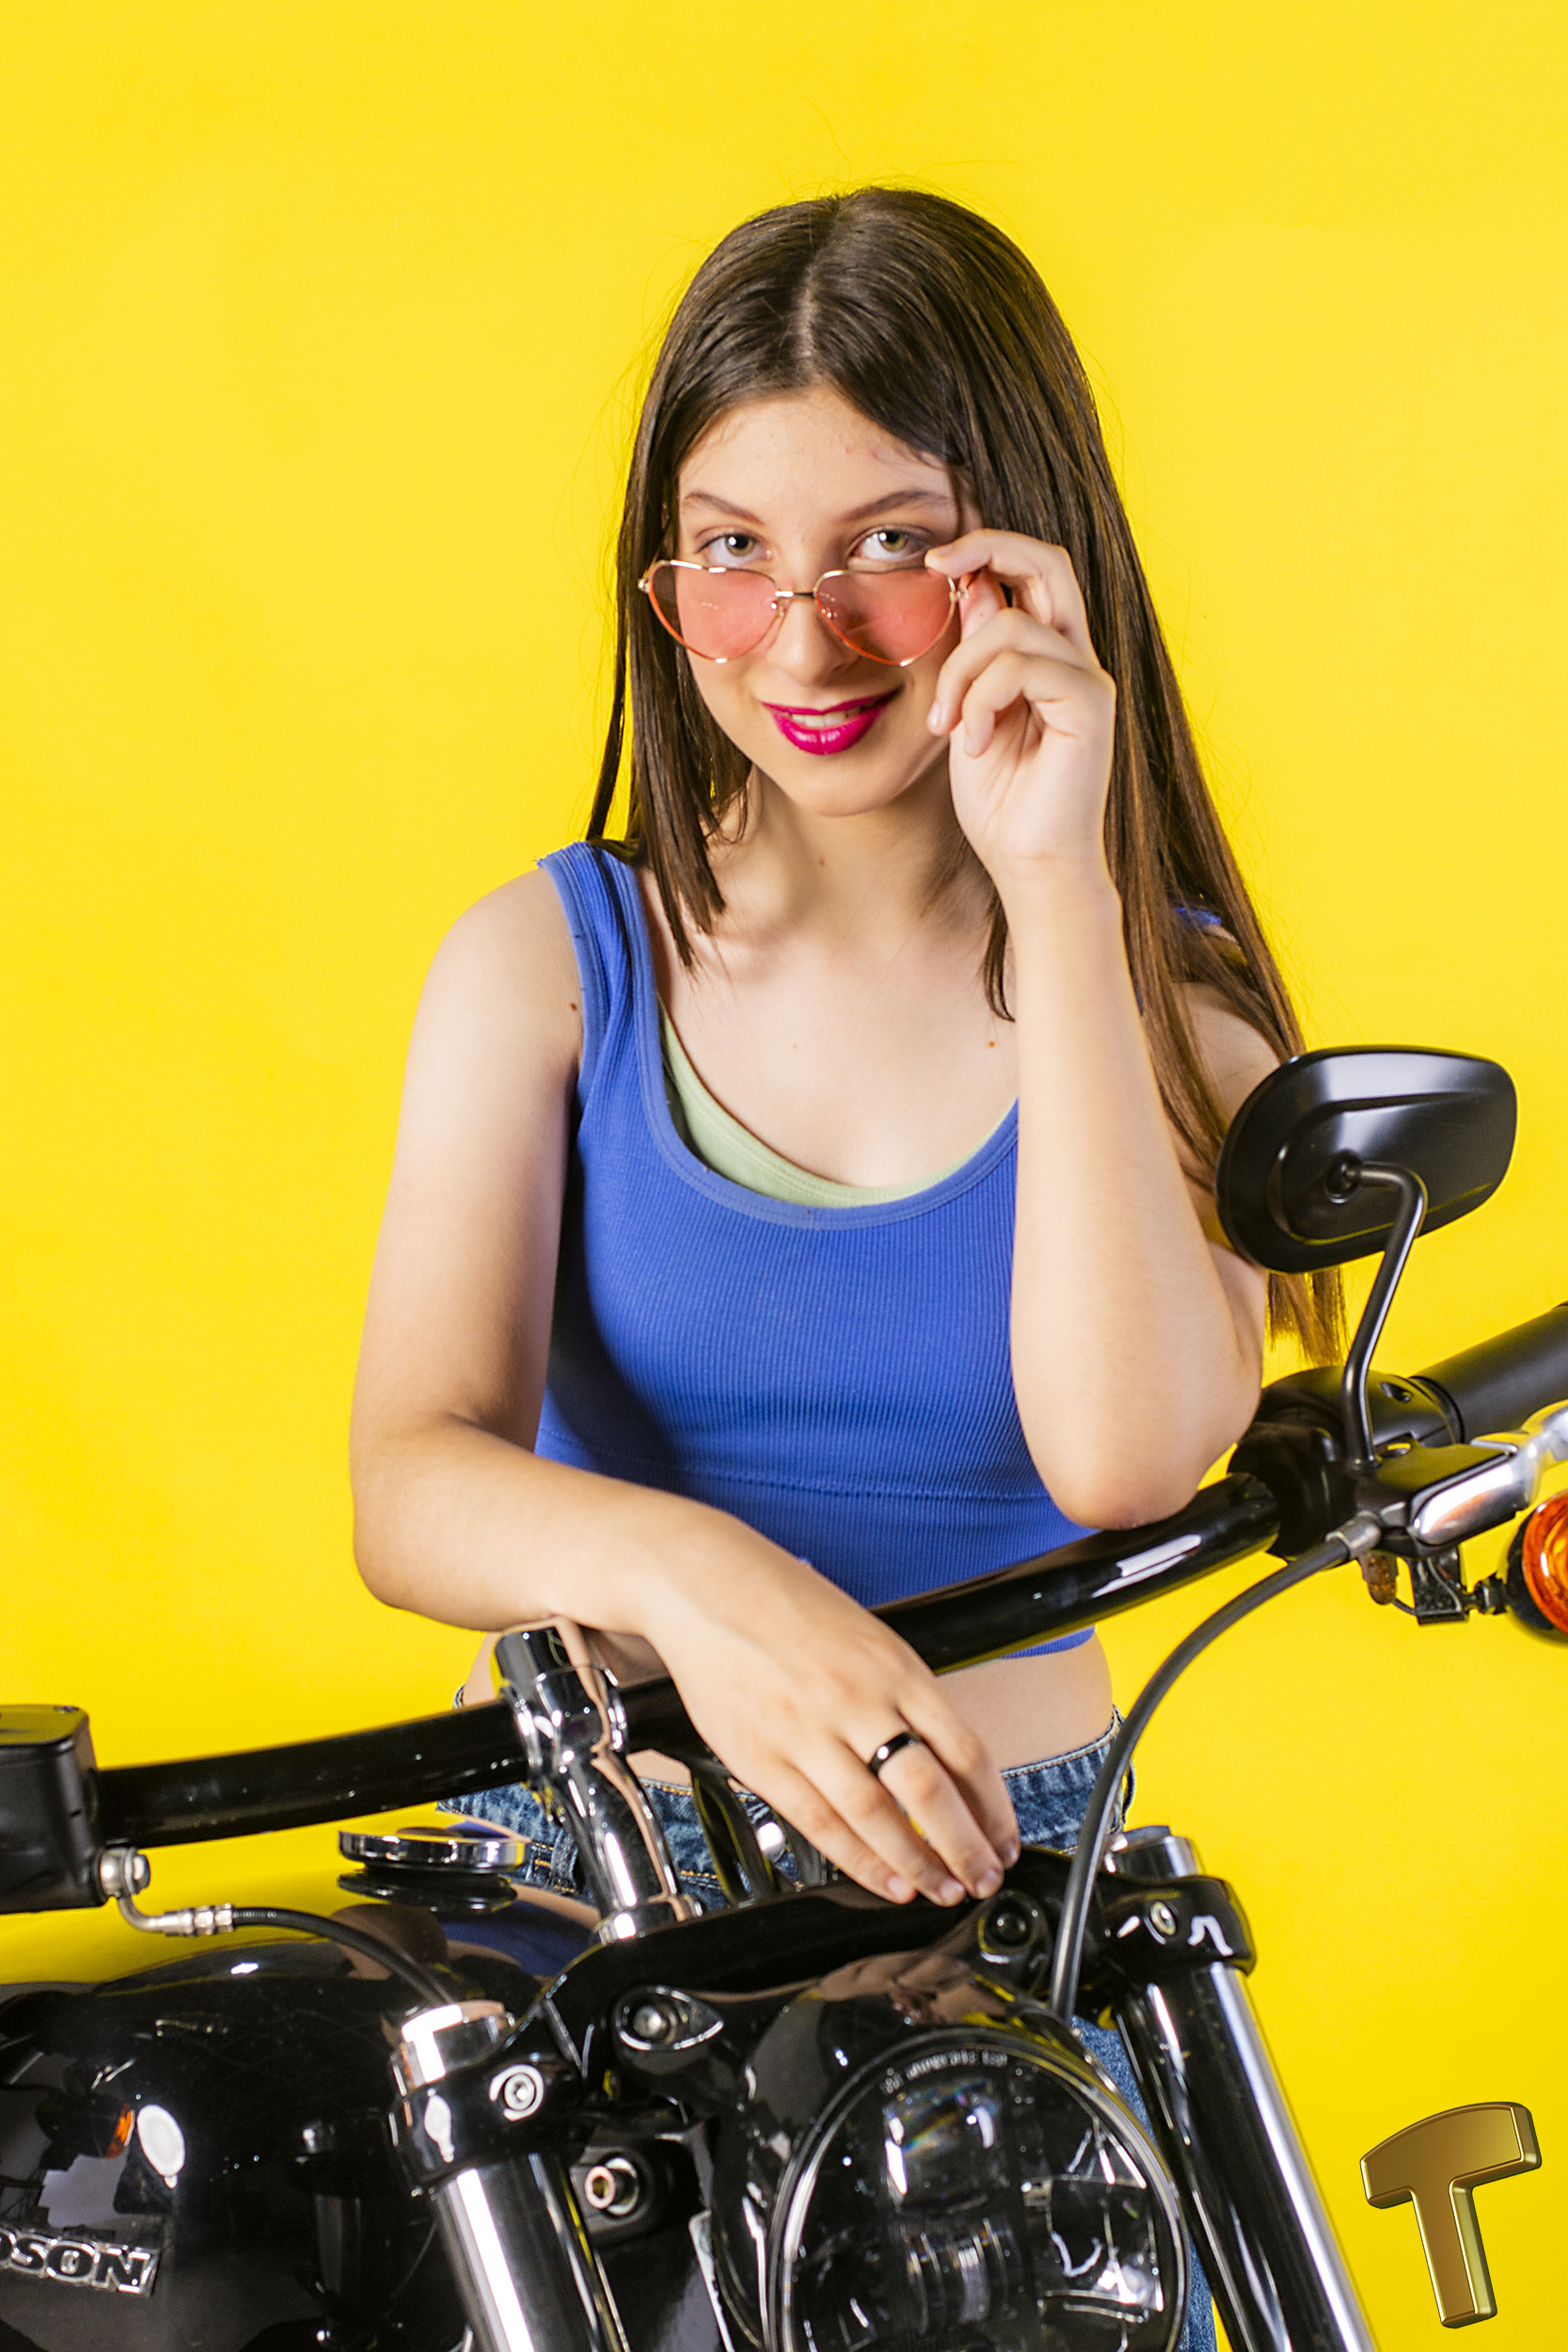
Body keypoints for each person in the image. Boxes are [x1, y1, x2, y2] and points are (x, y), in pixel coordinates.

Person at [349, 186, 1335, 2349]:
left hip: (1006, 1898)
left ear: (1029, 564)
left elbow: (1131, 1458)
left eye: (889, 549)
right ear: (664, 578)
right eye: (730, 551)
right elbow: (409, 1477)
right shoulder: (553, 961)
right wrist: (715, 1591)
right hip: (587, 1889)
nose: (801, 647)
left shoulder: (1170, 1022)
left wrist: (1058, 882)